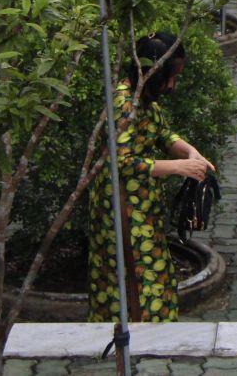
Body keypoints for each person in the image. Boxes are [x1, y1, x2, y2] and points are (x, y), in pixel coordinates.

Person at [87, 33, 215, 323]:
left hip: (143, 206)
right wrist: (179, 167)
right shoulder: (123, 104)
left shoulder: (142, 99)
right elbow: (123, 162)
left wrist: (190, 152)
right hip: (121, 209)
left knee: (154, 272)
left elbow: (162, 134)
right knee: (139, 279)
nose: (172, 86)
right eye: (169, 78)